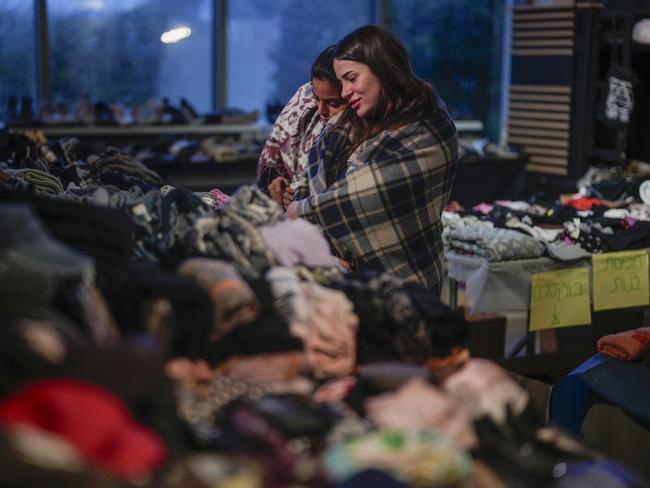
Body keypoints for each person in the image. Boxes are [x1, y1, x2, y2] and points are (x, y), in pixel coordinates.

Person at [286, 25, 459, 294]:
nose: (345, 92)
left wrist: (300, 210)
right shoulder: (352, 123)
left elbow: (364, 193)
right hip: (348, 283)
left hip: (409, 281)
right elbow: (314, 173)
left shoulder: (429, 127)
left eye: (351, 78)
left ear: (382, 68)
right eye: (341, 82)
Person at [257, 45, 348, 208]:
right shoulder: (303, 102)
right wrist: (280, 190)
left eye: (333, 103)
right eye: (316, 99)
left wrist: (302, 200)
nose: (321, 111)